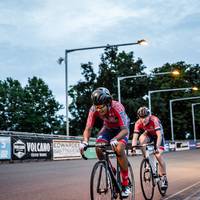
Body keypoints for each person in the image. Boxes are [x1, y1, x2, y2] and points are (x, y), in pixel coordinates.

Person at [79, 87, 131, 197]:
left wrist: (115, 139)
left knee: (119, 148)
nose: (99, 110)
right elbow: (88, 128)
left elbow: (125, 130)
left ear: (108, 102)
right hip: (107, 128)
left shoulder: (117, 107)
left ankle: (126, 183)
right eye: (96, 107)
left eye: (101, 107)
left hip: (121, 129)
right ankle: (111, 169)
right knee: (98, 147)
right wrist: (84, 141)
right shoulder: (93, 109)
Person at [131, 106, 168, 190]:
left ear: (149, 115)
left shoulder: (154, 120)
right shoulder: (138, 123)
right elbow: (135, 137)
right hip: (149, 134)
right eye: (141, 117)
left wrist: (156, 148)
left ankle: (164, 178)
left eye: (145, 117)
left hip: (159, 137)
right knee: (141, 139)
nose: (143, 119)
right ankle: (147, 160)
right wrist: (133, 147)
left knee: (158, 156)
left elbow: (159, 136)